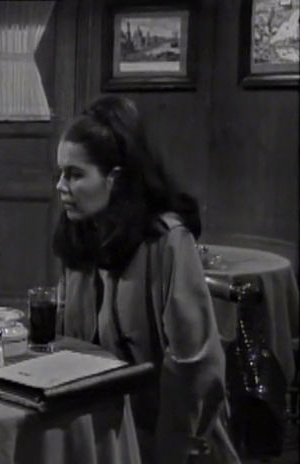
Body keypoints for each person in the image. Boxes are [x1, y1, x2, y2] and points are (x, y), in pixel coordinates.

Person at [53, 95, 240, 464]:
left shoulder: (166, 241)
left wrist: (171, 450)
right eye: (60, 173)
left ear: (114, 179)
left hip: (166, 439)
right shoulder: (81, 234)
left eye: (75, 175)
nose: (61, 186)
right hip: (98, 431)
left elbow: (194, 366)